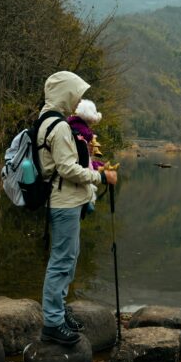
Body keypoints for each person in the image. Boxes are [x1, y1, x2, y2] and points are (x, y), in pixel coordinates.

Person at [36, 71, 117, 345]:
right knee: (61, 262)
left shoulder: (47, 120)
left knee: (67, 259)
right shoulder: (58, 127)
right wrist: (100, 177)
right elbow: (67, 168)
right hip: (64, 203)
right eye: (75, 93)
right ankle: (53, 322)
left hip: (64, 201)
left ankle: (58, 310)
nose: (78, 99)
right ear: (65, 93)